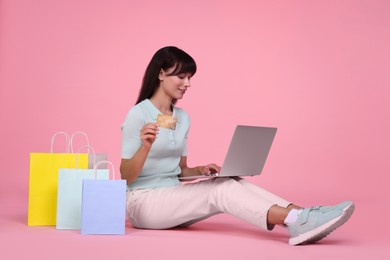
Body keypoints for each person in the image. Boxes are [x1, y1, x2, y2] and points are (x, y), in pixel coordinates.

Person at [120, 46, 354, 245]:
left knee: (229, 181)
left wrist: (200, 170)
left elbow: (180, 170)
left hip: (173, 196)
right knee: (220, 191)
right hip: (144, 203)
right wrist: (145, 147)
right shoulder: (138, 115)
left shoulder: (183, 117)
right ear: (161, 74)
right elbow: (125, 176)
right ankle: (296, 220)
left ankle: (304, 214)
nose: (187, 84)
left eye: (190, 77)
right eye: (181, 77)